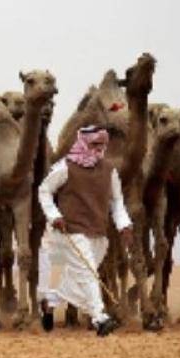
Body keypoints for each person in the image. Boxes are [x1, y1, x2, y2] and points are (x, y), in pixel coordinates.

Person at [36, 125, 133, 336]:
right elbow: (44, 190)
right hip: (69, 232)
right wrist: (54, 216)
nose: (99, 149)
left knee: (73, 276)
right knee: (88, 273)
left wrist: (124, 225)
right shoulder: (64, 167)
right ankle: (100, 318)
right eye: (95, 144)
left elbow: (116, 201)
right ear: (83, 143)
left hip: (98, 232)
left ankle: (49, 302)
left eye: (103, 145)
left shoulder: (109, 171)